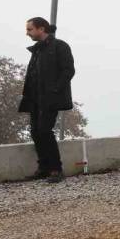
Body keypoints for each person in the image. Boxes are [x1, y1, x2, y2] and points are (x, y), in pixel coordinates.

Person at [19, 17, 75, 184]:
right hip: (35, 98)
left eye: (30, 29)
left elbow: (68, 71)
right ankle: (43, 168)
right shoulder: (37, 50)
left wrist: (54, 90)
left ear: (41, 29)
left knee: (44, 130)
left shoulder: (60, 46)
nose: (27, 33)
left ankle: (56, 169)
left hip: (50, 98)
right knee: (35, 132)